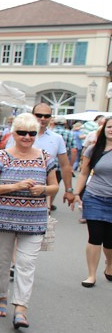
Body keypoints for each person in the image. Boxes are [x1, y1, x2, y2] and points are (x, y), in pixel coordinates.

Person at [0, 113, 59, 329]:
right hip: (3, 217)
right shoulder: (2, 157)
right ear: (14, 134)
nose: (27, 137)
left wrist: (43, 189)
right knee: (2, 261)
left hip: (34, 219)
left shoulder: (45, 157)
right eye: (22, 133)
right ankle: (0, 297)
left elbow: (54, 186)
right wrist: (15, 186)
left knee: (27, 264)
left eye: (32, 133)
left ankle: (21, 308)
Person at [4, 104, 75, 211]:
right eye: (39, 115)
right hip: (14, 190)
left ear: (51, 118)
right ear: (32, 115)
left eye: (46, 116)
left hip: (42, 192)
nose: (43, 118)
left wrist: (69, 190)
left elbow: (65, 165)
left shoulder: (57, 138)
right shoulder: (19, 135)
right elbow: (5, 160)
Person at [77, 117, 112, 287]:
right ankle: (91, 275)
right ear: (104, 129)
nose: (111, 130)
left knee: (110, 241)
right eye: (109, 126)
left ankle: (110, 265)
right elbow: (84, 173)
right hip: (95, 197)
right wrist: (76, 193)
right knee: (95, 237)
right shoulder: (93, 149)